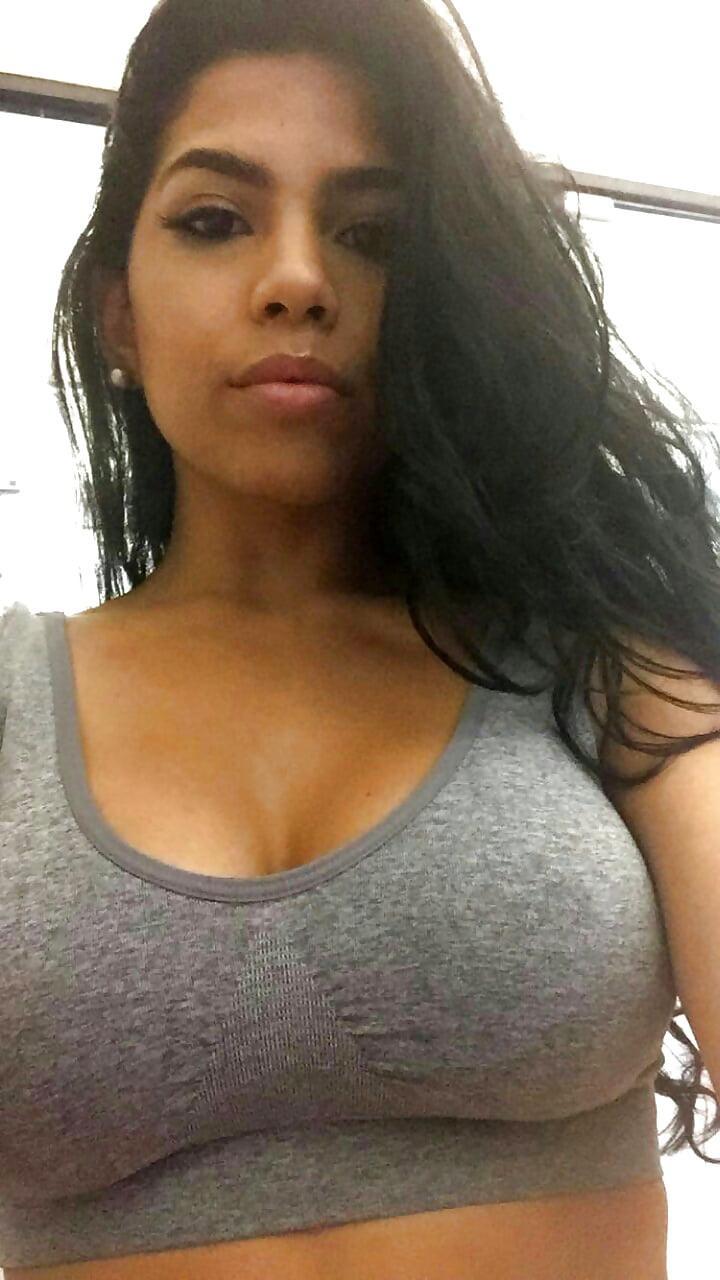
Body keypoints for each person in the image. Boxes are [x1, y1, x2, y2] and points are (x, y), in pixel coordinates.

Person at [3, 1, 719, 1277]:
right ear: (118, 315)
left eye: (372, 234)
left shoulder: (602, 656)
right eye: (215, 219)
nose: (298, 278)